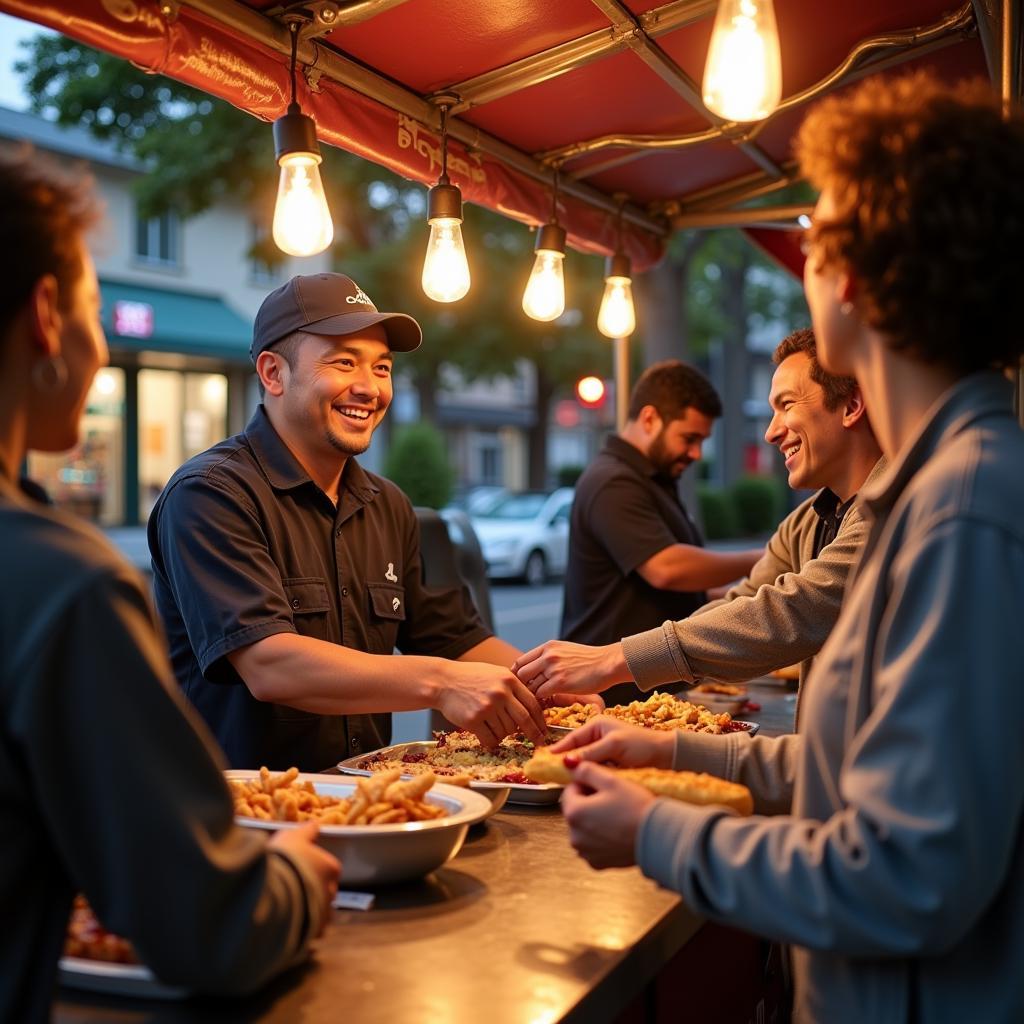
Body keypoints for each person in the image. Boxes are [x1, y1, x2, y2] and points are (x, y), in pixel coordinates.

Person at [534, 72, 1024, 1023]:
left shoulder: (964, 510)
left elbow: (905, 879)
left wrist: (660, 835)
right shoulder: (926, 491)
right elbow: (846, 772)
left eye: (816, 235)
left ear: (855, 275)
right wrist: (666, 746)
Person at [0, 149, 339, 1021]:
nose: (100, 340)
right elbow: (208, 924)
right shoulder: (61, 582)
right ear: (46, 316)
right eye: (90, 308)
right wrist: (299, 871)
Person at [148, 271, 547, 773]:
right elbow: (270, 665)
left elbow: (455, 639)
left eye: (382, 368)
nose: (368, 388)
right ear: (273, 373)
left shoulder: (389, 504)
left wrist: (549, 688)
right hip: (240, 821)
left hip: (368, 804)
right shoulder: (211, 494)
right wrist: (442, 682)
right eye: (343, 362)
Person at [516, 329, 884, 717]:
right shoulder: (803, 524)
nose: (770, 432)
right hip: (625, 692)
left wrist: (614, 660)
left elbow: (791, 612)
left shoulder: (891, 511)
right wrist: (616, 664)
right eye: (689, 438)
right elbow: (696, 581)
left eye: (786, 405)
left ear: (851, 405)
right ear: (649, 418)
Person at [559, 360, 762, 705]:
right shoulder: (613, 481)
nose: (696, 453)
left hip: (646, 690)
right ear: (650, 419)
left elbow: (684, 593)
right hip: (610, 698)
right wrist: (767, 558)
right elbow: (667, 569)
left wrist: (762, 602)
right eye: (689, 438)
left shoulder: (653, 480)